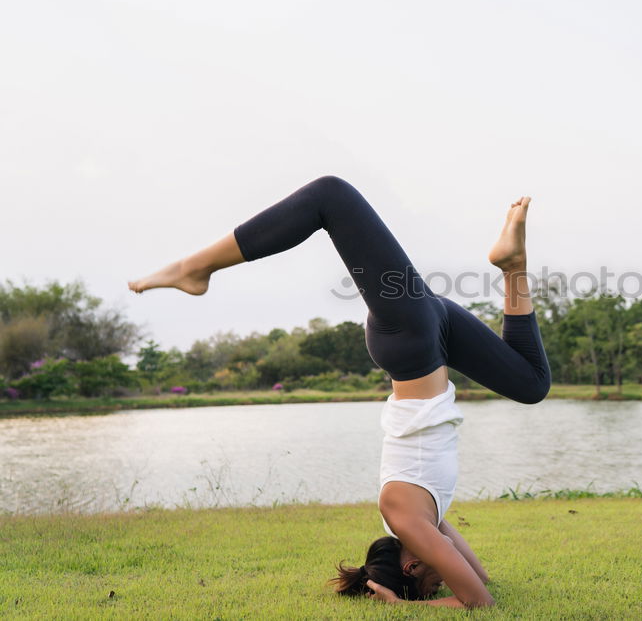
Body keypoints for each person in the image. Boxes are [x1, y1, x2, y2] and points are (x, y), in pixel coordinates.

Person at [128, 175, 551, 609]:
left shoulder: (406, 520)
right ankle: (513, 266)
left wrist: (406, 607)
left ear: (411, 567)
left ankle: (194, 268)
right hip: (431, 331)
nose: (442, 587)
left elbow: (478, 603)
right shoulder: (426, 521)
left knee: (330, 196)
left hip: (411, 340)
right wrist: (419, 593)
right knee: (532, 383)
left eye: (433, 587)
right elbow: (480, 581)